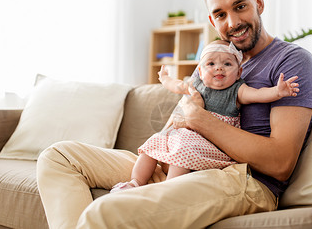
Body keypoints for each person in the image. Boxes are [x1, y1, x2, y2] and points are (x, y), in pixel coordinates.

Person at [36, 0, 312, 229]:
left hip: (241, 178)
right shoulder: (212, 61)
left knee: (105, 211)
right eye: (220, 14)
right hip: (176, 160)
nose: (232, 22)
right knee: (59, 157)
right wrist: (155, 156)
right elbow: (179, 119)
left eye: (240, 6)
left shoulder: (291, 62)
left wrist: (200, 119)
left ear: (258, 3)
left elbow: (280, 164)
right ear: (212, 20)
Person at [110, 39, 300, 193]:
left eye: (227, 64)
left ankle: (167, 191)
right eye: (211, 64)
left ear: (239, 72)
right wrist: (164, 78)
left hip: (213, 143)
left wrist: (277, 92)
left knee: (183, 146)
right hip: (187, 134)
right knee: (154, 141)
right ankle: (135, 183)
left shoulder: (238, 90)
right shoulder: (196, 84)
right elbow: (176, 86)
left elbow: (258, 95)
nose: (219, 68)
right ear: (200, 71)